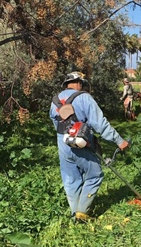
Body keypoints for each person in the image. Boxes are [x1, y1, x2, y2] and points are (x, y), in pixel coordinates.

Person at [50, 71, 130, 222]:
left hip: (63, 144)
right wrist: (119, 141)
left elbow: (55, 123)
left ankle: (75, 214)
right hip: (82, 143)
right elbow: (100, 123)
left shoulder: (55, 100)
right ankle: (82, 212)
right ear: (79, 83)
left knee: (71, 179)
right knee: (94, 175)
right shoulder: (84, 97)